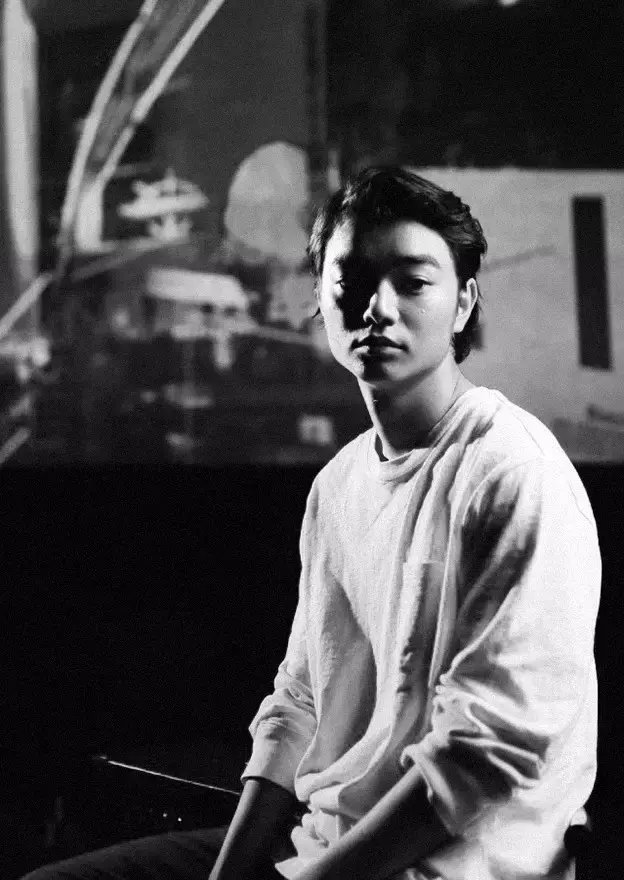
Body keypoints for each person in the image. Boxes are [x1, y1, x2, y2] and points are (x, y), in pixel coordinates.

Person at [23, 166, 601, 880]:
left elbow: (482, 755)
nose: (378, 308)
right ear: (317, 300)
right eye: (352, 282)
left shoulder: (512, 471)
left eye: (413, 282)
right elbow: (297, 704)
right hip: (320, 847)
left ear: (462, 304)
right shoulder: (339, 484)